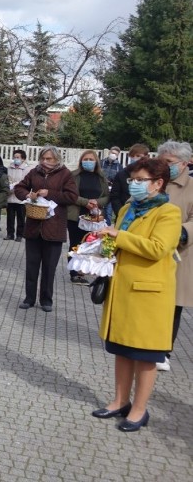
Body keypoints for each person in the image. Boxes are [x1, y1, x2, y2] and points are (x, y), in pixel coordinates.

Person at [92, 158, 181, 432]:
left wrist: (117, 236)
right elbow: (116, 242)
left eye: (140, 180)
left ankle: (139, 410)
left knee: (145, 357)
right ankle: (120, 401)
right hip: (122, 290)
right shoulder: (128, 208)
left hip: (148, 295)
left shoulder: (169, 212)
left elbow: (157, 248)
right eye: (132, 179)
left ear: (158, 183)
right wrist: (98, 249)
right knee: (121, 351)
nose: (134, 184)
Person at [13, 146, 78, 312]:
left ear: (56, 159)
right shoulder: (35, 172)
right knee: (31, 265)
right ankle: (29, 298)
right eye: (43, 158)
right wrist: (28, 195)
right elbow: (19, 188)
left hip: (54, 228)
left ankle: (46, 299)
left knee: (49, 267)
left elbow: (72, 196)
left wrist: (50, 193)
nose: (45, 162)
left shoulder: (65, 174)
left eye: (49, 159)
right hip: (34, 226)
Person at [156, 140, 193, 371]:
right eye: (162, 161)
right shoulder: (156, 182)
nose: (165, 166)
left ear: (185, 162)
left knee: (172, 305)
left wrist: (181, 232)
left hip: (178, 254)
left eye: (168, 162)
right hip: (150, 251)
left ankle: (163, 350)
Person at [66, 150, 109, 284]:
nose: (88, 162)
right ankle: (75, 273)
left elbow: (107, 196)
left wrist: (97, 202)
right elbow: (70, 194)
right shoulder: (74, 175)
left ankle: (84, 270)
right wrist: (86, 202)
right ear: (81, 161)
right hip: (76, 215)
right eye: (86, 159)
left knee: (90, 244)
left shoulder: (101, 177)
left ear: (96, 161)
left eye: (91, 159)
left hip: (94, 217)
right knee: (76, 244)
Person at [109, 144, 150, 218]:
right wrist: (120, 213)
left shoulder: (152, 175)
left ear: (146, 157)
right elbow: (115, 196)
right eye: (132, 156)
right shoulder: (121, 174)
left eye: (138, 156)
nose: (134, 158)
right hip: (124, 215)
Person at [4, 150, 29, 241]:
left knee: (21, 217)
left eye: (18, 157)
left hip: (21, 197)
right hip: (10, 196)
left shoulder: (27, 169)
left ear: (23, 159)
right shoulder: (9, 168)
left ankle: (20, 235)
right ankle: (10, 234)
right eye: (14, 157)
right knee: (10, 217)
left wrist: (19, 185)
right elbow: (6, 179)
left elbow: (28, 182)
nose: (16, 159)